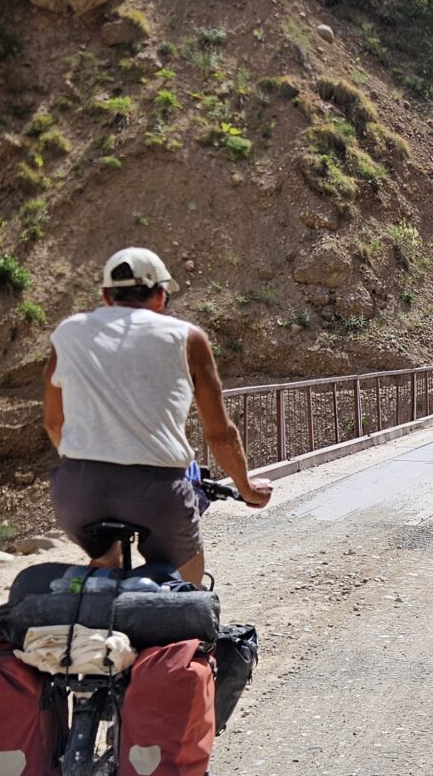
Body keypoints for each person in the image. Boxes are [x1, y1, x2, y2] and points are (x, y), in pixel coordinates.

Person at [42, 248, 271, 586]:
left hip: (77, 492)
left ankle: (100, 587)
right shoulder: (187, 338)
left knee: (103, 560)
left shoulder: (67, 333)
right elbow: (220, 435)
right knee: (185, 584)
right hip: (156, 493)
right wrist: (247, 489)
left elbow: (53, 422)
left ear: (105, 295)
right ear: (161, 296)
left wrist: (90, 463)